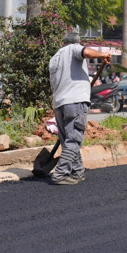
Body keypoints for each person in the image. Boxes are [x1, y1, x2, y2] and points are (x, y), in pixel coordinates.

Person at [48, 32, 111, 185]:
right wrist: (103, 55)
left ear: (63, 42)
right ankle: (61, 174)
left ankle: (77, 171)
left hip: (59, 103)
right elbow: (86, 52)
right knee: (74, 138)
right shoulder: (74, 49)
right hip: (75, 101)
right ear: (77, 42)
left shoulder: (54, 57)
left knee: (67, 140)